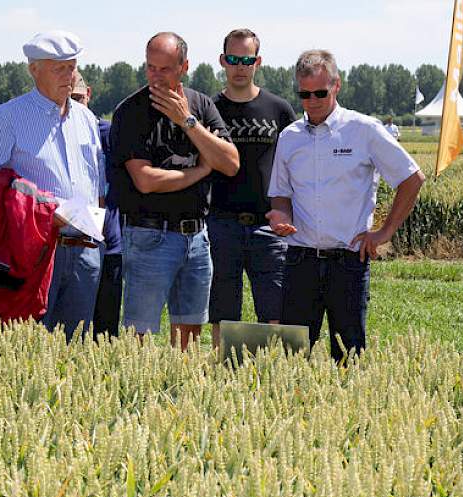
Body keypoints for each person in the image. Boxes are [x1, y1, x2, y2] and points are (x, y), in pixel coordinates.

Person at [266, 49, 425, 362]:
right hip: (300, 260)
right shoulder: (289, 137)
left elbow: (412, 178)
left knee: (349, 357)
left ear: (336, 86)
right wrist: (280, 215)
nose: (311, 101)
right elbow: (280, 194)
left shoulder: (363, 130)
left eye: (320, 93)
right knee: (292, 357)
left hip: (348, 261)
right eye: (304, 94)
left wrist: (384, 233)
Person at [0, 30, 106, 342]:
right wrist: (36, 218)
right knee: (27, 345)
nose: (69, 77)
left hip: (85, 251)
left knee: (75, 350)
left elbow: (98, 185)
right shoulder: (7, 119)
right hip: (36, 253)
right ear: (33, 69)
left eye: (72, 67)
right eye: (59, 69)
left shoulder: (86, 119)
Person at [109, 32, 240, 349]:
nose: (155, 75)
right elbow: (146, 180)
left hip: (196, 238)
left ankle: (181, 389)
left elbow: (231, 163)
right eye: (150, 67)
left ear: (184, 67)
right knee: (138, 336)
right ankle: (135, 393)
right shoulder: (131, 112)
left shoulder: (201, 106)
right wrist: (199, 170)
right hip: (148, 235)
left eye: (164, 68)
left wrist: (188, 122)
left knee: (190, 333)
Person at [207, 28, 296, 347]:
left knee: (275, 306)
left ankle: (275, 375)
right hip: (220, 222)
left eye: (247, 59)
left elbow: (294, 164)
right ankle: (222, 371)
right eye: (233, 59)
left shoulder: (279, 109)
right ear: (222, 61)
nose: (240, 67)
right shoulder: (209, 109)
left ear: (258, 62)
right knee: (221, 306)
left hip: (267, 223)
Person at [71, 69, 124, 338]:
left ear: (89, 94)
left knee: (105, 330)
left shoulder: (110, 134)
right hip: (71, 245)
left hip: (109, 243)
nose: (74, 106)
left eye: (78, 98)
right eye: (68, 99)